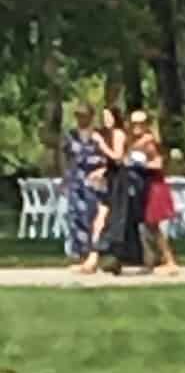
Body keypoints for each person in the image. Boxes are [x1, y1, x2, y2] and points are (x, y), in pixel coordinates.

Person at [76, 107, 129, 274]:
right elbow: (111, 163)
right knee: (100, 219)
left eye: (109, 117)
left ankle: (103, 258)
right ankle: (93, 258)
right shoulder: (107, 134)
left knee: (112, 219)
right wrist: (101, 171)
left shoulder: (118, 134)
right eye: (104, 117)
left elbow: (118, 158)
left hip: (119, 182)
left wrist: (101, 144)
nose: (106, 121)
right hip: (111, 178)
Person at [128, 111, 180, 276]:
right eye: (134, 123)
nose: (137, 126)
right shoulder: (134, 142)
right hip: (144, 186)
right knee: (146, 225)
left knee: (154, 225)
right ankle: (150, 261)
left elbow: (158, 163)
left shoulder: (149, 141)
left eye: (140, 123)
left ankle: (169, 261)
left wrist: (141, 165)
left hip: (154, 186)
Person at [61, 103, 106, 260]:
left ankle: (94, 249)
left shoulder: (98, 135)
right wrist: (65, 178)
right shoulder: (70, 135)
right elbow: (64, 156)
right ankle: (78, 251)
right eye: (78, 115)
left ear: (91, 116)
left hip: (95, 180)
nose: (81, 118)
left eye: (84, 115)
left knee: (93, 214)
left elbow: (106, 156)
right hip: (76, 180)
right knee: (75, 215)